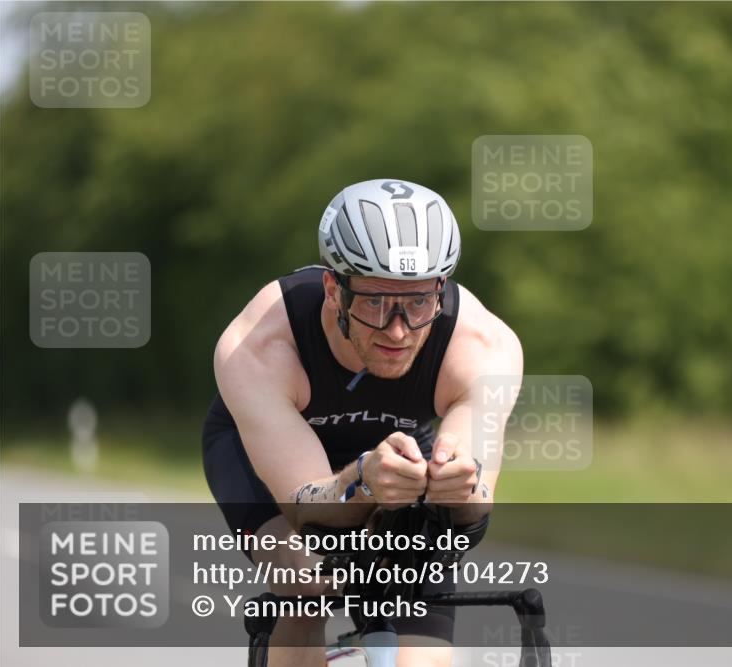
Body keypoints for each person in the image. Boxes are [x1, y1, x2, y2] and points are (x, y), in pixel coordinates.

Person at [201, 179, 523, 667]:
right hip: (270, 457)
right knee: (306, 578)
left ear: (440, 290)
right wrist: (363, 483)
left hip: (395, 451)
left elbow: (469, 515)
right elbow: (307, 510)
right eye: (375, 301)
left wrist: (458, 489)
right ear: (335, 290)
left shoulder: (482, 346)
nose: (398, 330)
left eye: (417, 303)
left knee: (423, 652)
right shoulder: (259, 346)